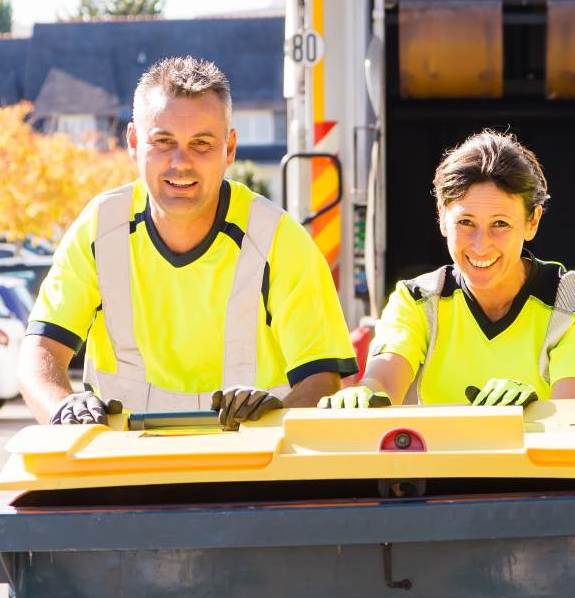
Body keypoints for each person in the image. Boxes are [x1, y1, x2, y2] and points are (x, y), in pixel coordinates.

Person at [19, 56, 357, 430]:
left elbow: (322, 381)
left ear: (229, 149)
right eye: (163, 141)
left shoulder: (279, 239)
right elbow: (40, 351)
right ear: (133, 142)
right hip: (123, 470)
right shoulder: (100, 228)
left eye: (201, 143)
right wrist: (61, 409)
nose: (180, 162)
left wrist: (275, 418)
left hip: (250, 471)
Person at [319, 130, 575, 408]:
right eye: (466, 222)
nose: (481, 245)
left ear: (533, 222)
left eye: (500, 224)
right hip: (440, 469)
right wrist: (364, 393)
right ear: (441, 217)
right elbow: (382, 381)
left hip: (540, 470)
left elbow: (571, 421)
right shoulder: (416, 300)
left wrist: (532, 413)